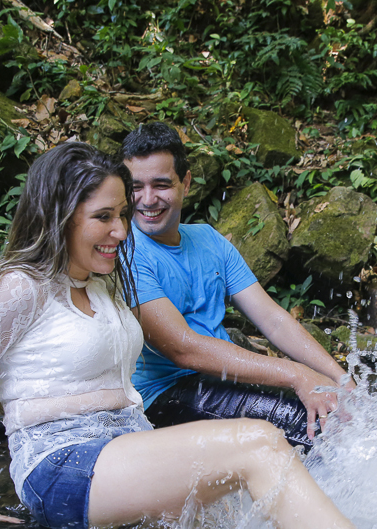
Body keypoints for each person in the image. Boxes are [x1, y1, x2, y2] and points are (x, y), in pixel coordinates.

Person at [0, 141, 377, 529]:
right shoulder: (19, 288)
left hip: (127, 447)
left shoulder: (102, 283)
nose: (121, 231)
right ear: (59, 217)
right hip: (61, 466)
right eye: (103, 217)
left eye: (121, 214)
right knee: (259, 441)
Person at [121, 122, 356, 449]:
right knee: (311, 424)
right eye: (136, 187)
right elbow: (183, 348)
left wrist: (341, 379)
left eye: (161, 185)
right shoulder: (126, 251)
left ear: (185, 182)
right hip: (164, 397)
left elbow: (273, 320)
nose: (147, 200)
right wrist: (297, 374)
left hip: (224, 380)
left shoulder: (208, 239)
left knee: (344, 410)